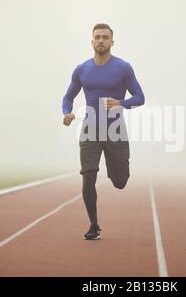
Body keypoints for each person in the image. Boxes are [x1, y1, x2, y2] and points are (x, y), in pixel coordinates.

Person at [62, 23, 145, 240]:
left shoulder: (123, 68)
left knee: (120, 181)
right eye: (97, 37)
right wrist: (67, 112)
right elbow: (68, 97)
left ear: (111, 42)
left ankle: (117, 171)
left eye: (105, 37)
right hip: (89, 129)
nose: (101, 41)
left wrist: (121, 103)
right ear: (92, 42)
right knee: (88, 177)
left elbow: (140, 97)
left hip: (115, 130)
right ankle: (94, 225)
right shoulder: (82, 69)